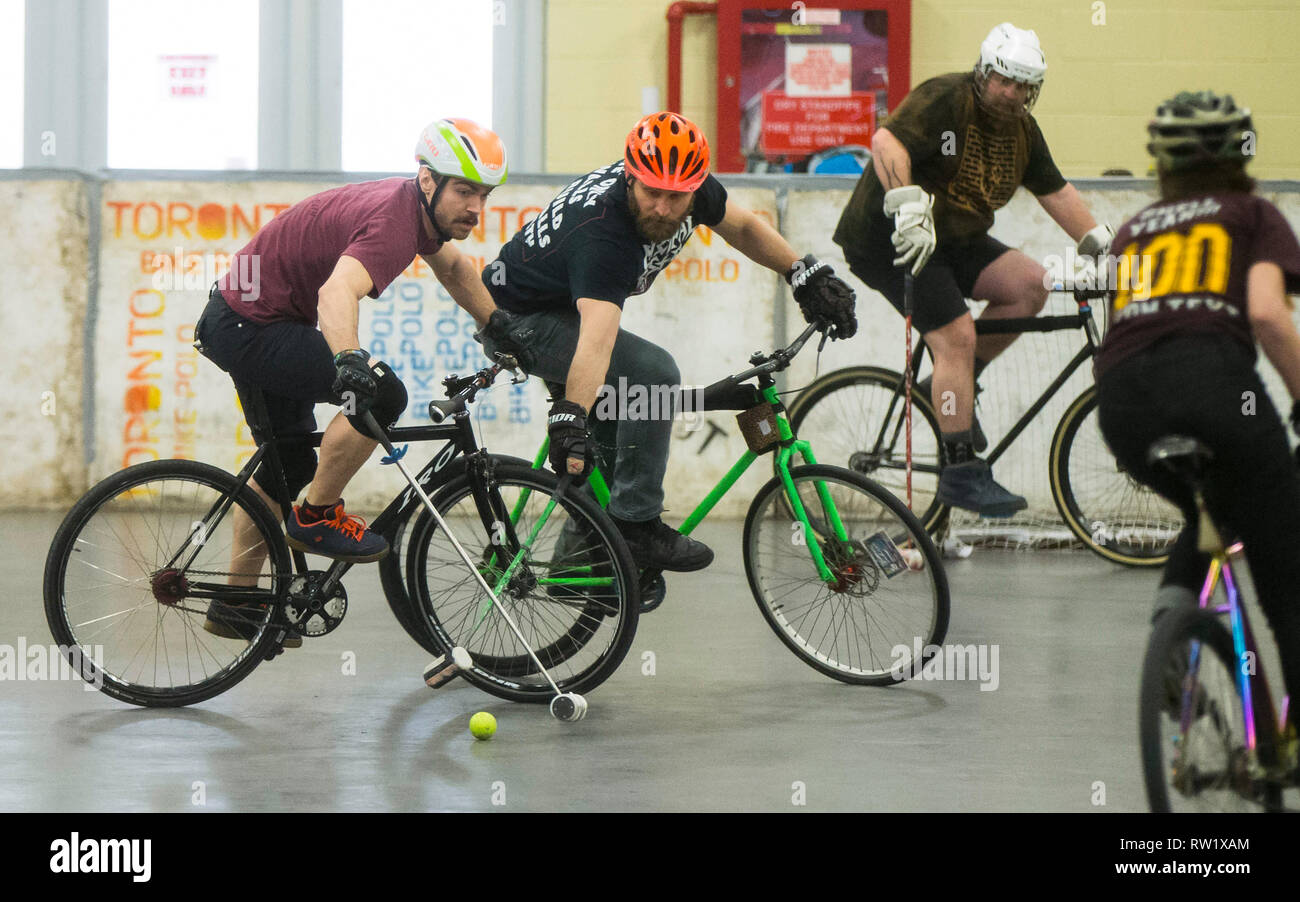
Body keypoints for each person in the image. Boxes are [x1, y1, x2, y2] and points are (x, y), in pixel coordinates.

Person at [476, 111, 858, 571]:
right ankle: (636, 529)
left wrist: (802, 274)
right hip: (516, 320)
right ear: (629, 177)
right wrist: (569, 416)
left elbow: (743, 226)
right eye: (651, 193)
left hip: (565, 309)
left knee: (622, 424)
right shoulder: (604, 231)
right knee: (651, 373)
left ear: (694, 187)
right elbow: (596, 338)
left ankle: (578, 567)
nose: (662, 208)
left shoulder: (689, 188)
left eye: (676, 197)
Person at [195, 118, 507, 642]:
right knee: (383, 394)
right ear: (427, 181)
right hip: (251, 326)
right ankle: (317, 516)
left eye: (484, 194)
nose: (476, 207)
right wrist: (349, 361)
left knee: (287, 462)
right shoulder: (394, 221)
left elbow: (454, 270)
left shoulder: (415, 214)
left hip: (250, 318)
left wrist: (498, 327)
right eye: (464, 190)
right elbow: (336, 293)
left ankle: (236, 604)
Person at [832, 22, 1113, 517]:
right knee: (955, 336)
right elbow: (885, 143)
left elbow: (1057, 193)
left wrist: (1103, 247)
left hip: (956, 237)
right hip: (891, 239)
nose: (1013, 93)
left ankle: (949, 385)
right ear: (984, 73)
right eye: (1005, 80)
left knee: (1030, 285)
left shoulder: (1022, 131)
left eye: (1025, 85)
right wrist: (906, 206)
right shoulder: (946, 99)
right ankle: (961, 471)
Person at [1094, 91, 1300, 744]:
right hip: (1213, 388)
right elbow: (1268, 315)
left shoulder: (1135, 227)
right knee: (1285, 567)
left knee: (1217, 505)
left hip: (1120, 402)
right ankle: (1288, 743)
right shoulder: (1253, 214)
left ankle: (1172, 619)